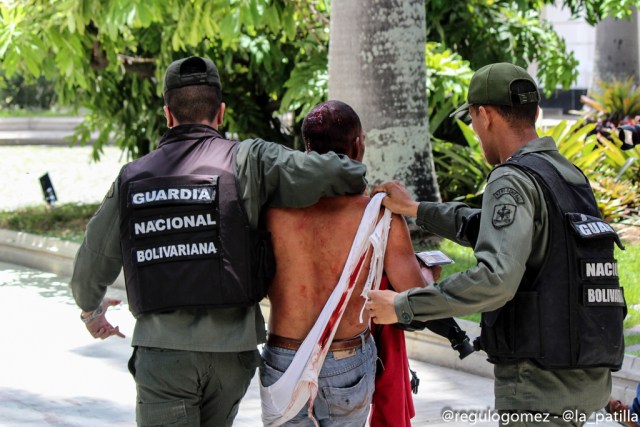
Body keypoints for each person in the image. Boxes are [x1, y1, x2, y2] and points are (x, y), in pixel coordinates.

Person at [69, 56, 369, 427]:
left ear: (167, 115)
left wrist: (92, 312)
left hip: (164, 358)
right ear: (221, 112)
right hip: (232, 357)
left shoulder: (132, 177)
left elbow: (91, 263)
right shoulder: (250, 160)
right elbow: (342, 172)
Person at [365, 62, 626, 426]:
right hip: (585, 377)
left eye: (472, 119)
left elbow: (495, 279)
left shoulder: (511, 179)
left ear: (484, 115)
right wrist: (415, 209)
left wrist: (405, 305)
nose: (474, 129)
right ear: (534, 112)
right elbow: (494, 229)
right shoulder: (567, 175)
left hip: (538, 388)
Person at [260, 100, 430, 425]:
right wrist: (427, 271)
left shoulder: (271, 210)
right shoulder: (380, 214)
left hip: (283, 359)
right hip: (348, 358)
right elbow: (417, 298)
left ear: (307, 147)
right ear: (358, 145)